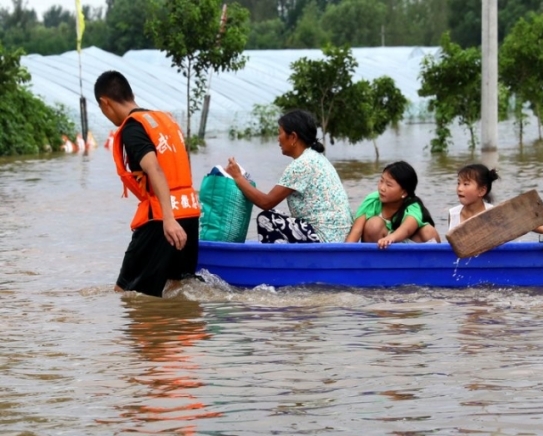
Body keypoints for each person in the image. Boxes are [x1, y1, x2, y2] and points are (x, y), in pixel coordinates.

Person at [95, 70, 200, 298]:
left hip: (163, 219)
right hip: (189, 212)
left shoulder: (134, 127)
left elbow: (154, 168)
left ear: (105, 103)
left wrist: (169, 219)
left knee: (126, 294)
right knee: (177, 289)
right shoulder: (165, 120)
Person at [225, 109, 353, 243]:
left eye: (279, 133)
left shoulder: (301, 164)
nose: (278, 139)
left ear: (293, 137)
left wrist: (238, 177)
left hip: (325, 239)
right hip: (339, 236)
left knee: (266, 219)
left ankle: (280, 262)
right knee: (277, 214)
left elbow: (266, 202)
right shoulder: (316, 157)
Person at [345, 161, 441, 248]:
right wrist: (343, 254)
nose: (382, 188)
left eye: (389, 185)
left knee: (428, 231)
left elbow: (406, 229)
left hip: (404, 247)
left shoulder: (413, 205)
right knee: (374, 224)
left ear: (404, 192)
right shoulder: (372, 200)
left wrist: (390, 238)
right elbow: (356, 231)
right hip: (378, 248)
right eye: (381, 181)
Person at [448, 163, 543, 235]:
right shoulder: (453, 214)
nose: (459, 188)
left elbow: (520, 222)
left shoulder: (493, 213)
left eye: (466, 184)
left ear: (481, 191)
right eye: (458, 183)